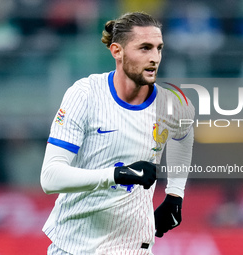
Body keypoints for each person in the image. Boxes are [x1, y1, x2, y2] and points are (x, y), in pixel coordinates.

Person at [40, 12, 195, 255]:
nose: (155, 58)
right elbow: (50, 178)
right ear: (117, 51)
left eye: (158, 48)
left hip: (134, 247)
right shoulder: (85, 95)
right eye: (144, 48)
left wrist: (175, 194)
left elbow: (184, 135)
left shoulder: (173, 105)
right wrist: (117, 174)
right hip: (74, 245)